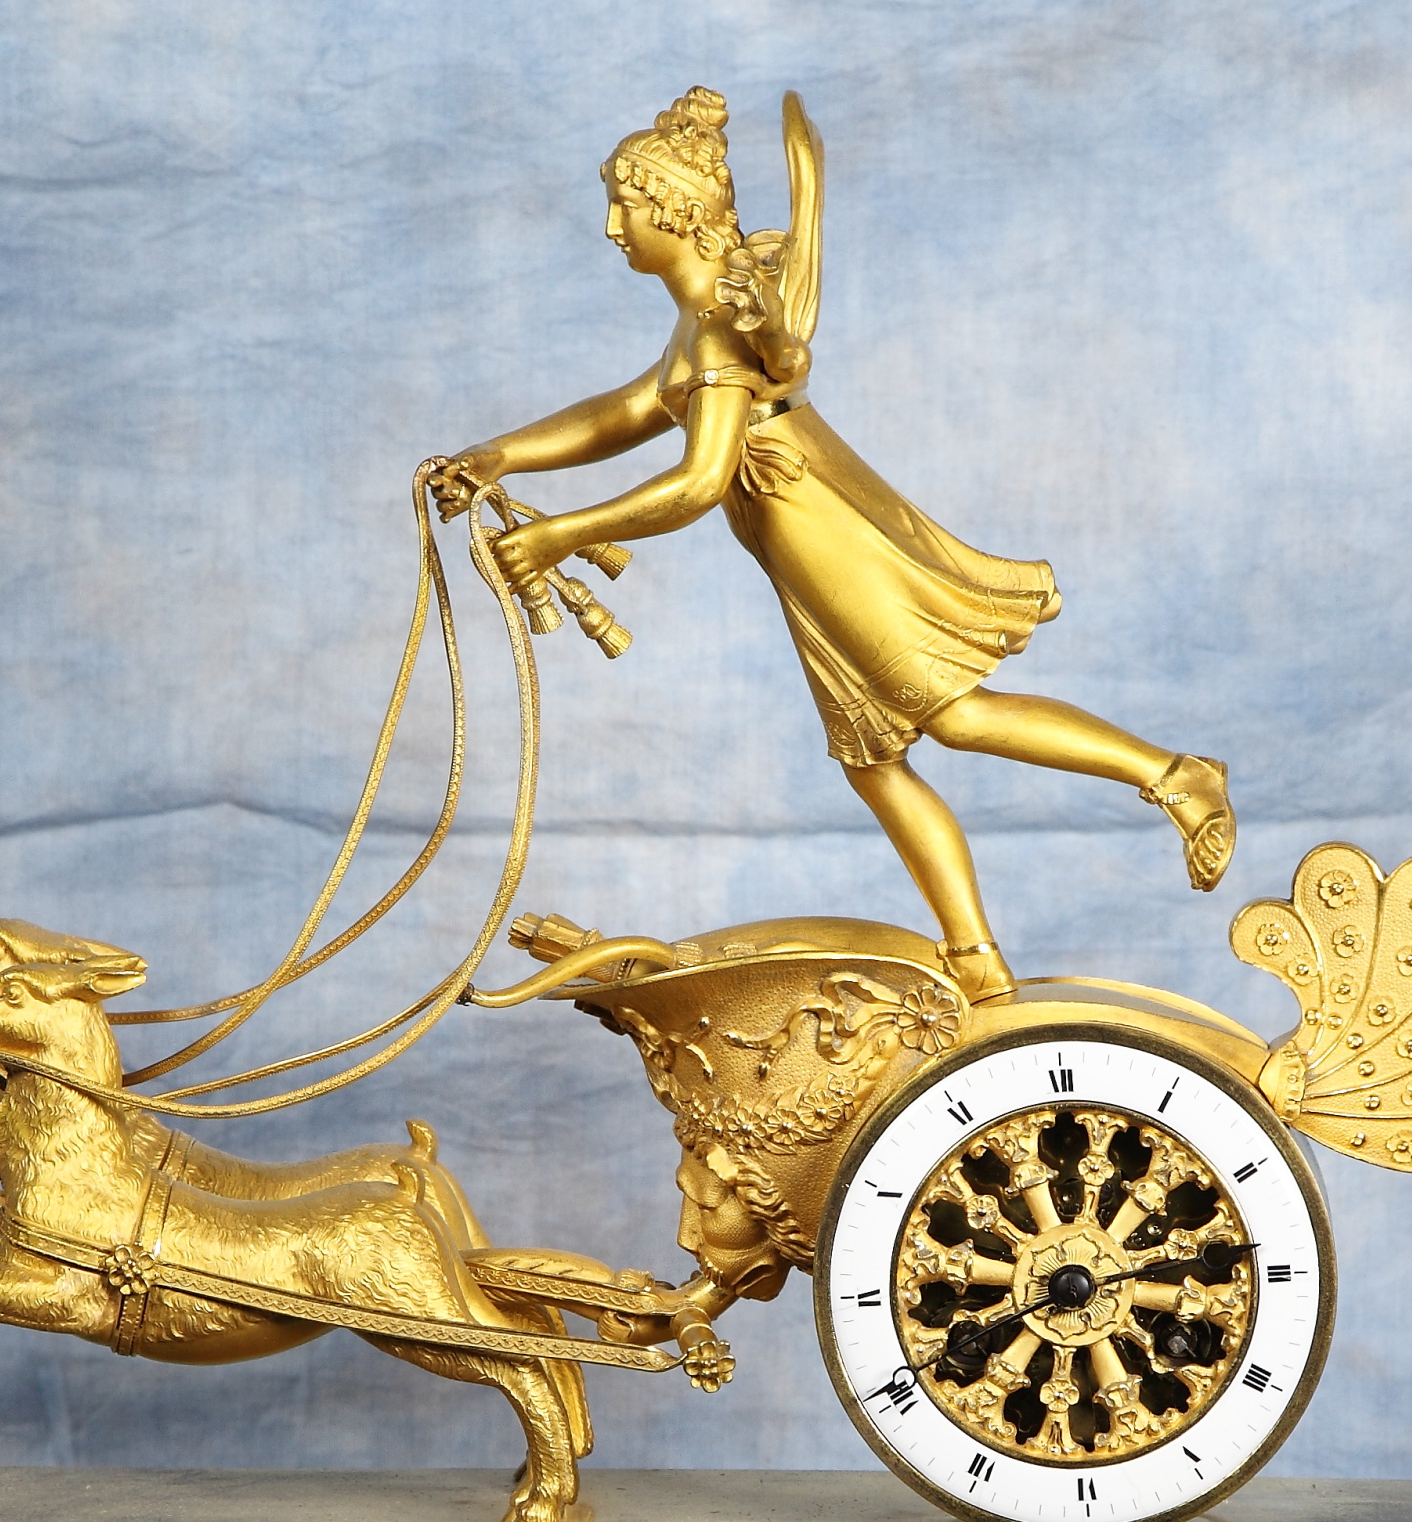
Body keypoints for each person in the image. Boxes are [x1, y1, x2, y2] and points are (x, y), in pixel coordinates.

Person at [436, 87, 1234, 1004]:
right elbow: (628, 410)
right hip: (801, 556)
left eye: (625, 206)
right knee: (872, 759)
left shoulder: (723, 326)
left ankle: (1175, 775)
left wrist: (560, 534)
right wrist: (497, 456)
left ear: (675, 213)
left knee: (955, 718)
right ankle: (974, 954)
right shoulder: (702, 320)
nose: (613, 226)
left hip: (829, 543)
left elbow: (699, 482)